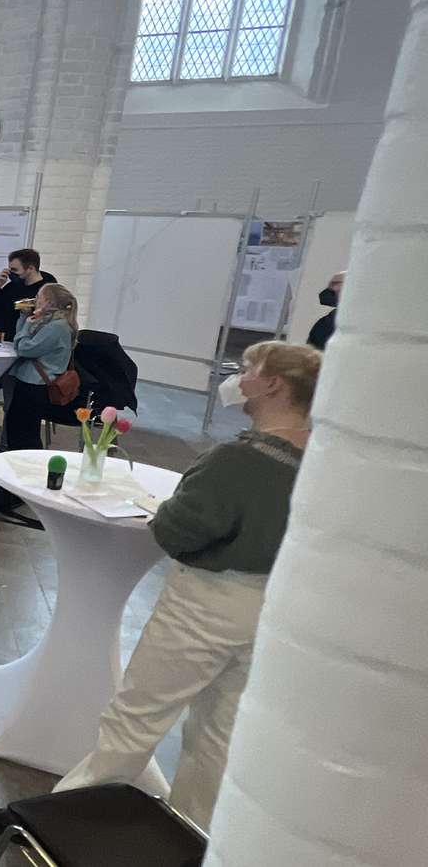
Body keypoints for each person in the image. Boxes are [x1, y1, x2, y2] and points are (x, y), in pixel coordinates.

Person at [50, 341, 319, 831]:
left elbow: (175, 531)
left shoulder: (240, 461)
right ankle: (193, 832)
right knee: (219, 732)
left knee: (137, 716)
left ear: (275, 384)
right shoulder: (323, 464)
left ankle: (61, 819)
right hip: (272, 608)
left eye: (251, 369)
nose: (240, 376)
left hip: (208, 602)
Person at [0, 282, 78, 453]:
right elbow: (20, 340)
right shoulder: (50, 322)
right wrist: (24, 318)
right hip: (29, 381)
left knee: (25, 434)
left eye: (39, 297)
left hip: (35, 384)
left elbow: (23, 348)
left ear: (50, 302)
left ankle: (26, 465)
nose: (35, 300)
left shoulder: (57, 327)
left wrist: (27, 323)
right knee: (15, 428)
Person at [0, 248, 57, 339]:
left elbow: (38, 326)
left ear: (30, 268)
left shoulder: (46, 292)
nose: (10, 273)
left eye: (14, 270)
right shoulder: (12, 286)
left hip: (18, 344)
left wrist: (2, 336)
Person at [306, 270, 344, 350]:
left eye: (335, 283)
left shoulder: (336, 317)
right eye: (331, 284)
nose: (333, 288)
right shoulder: (330, 318)